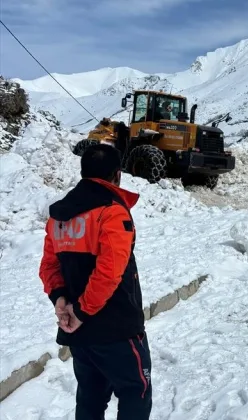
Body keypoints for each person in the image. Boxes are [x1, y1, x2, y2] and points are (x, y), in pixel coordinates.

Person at [39, 144, 152, 419]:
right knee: (136, 391)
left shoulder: (59, 217)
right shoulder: (112, 212)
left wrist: (62, 300)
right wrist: (81, 311)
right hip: (117, 328)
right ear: (117, 175)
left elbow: (49, 267)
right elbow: (110, 271)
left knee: (90, 398)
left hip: (81, 335)